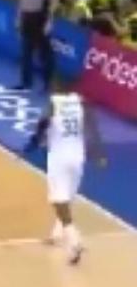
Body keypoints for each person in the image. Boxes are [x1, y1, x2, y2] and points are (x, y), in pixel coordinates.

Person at [25, 80, 107, 265]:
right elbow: (92, 129)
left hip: (59, 158)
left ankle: (74, 240)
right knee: (68, 197)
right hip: (78, 157)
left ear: (57, 87)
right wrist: (99, 153)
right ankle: (56, 234)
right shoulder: (81, 103)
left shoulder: (54, 102)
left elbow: (43, 122)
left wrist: (34, 140)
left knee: (58, 200)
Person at [16, 0, 56, 92]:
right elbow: (21, 0)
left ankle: (47, 84)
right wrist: (18, 18)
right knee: (25, 52)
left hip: (40, 18)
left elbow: (53, 1)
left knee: (45, 54)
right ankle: (25, 82)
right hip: (27, 18)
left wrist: (49, 21)